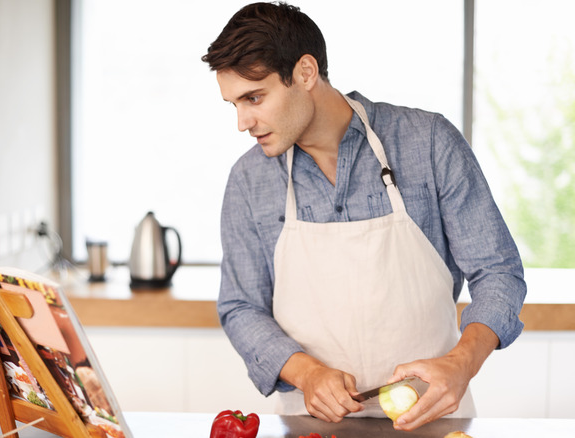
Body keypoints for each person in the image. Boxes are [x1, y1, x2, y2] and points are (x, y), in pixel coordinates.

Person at [201, 1, 526, 431]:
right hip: (310, 422)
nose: (243, 122)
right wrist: (308, 374)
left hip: (432, 417)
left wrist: (461, 365)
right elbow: (241, 306)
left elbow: (498, 272)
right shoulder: (249, 179)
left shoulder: (428, 143)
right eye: (234, 104)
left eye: (254, 98)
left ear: (305, 73)